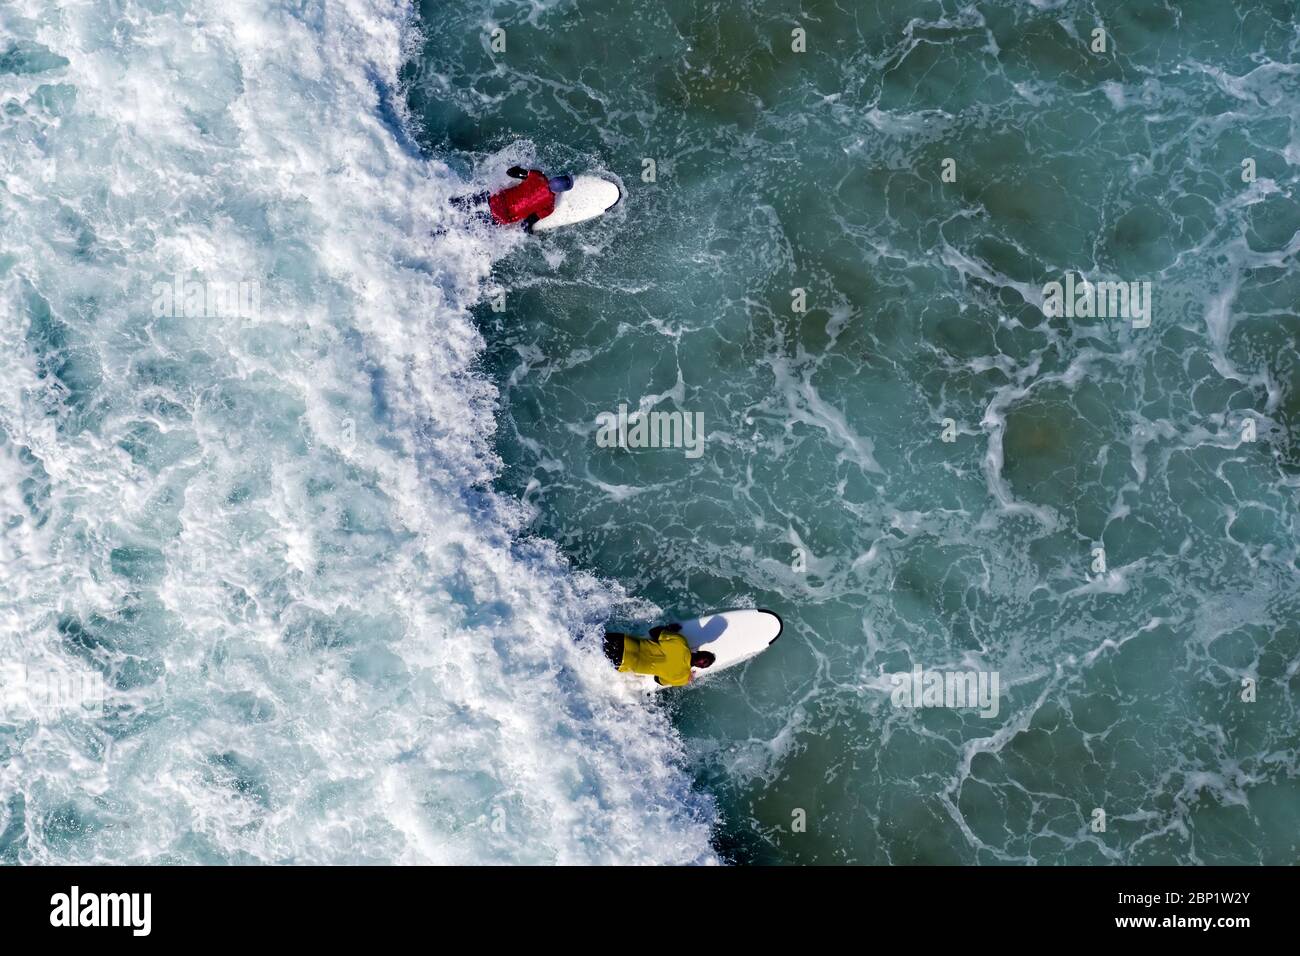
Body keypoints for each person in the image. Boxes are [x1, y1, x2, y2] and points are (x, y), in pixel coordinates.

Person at [450, 166, 574, 232]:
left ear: (554, 178)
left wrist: (518, 170)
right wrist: (529, 234)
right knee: (470, 224)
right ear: (561, 191)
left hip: (496, 200)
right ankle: (446, 230)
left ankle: (450, 204)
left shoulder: (538, 176)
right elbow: (527, 223)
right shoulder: (549, 207)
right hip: (502, 217)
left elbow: (511, 172)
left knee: (470, 200)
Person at [603, 623, 716, 687]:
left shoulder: (681, 642)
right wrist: (687, 676)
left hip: (621, 641)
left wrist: (669, 629)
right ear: (699, 667)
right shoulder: (681, 678)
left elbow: (654, 632)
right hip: (621, 663)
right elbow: (658, 680)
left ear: (698, 651)